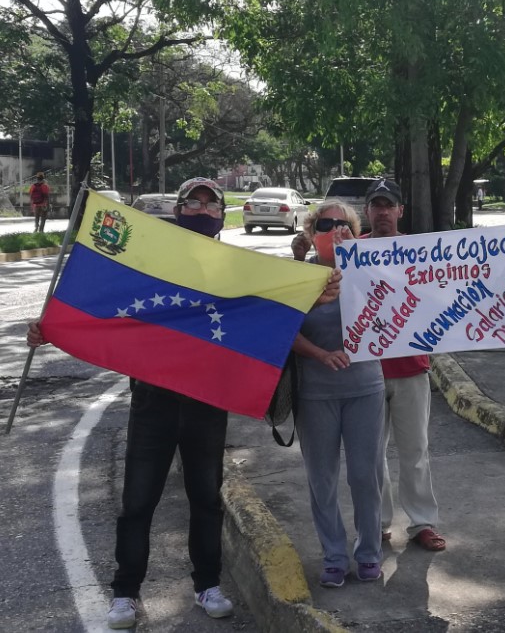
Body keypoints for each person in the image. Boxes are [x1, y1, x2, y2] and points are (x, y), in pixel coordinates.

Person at [26, 178, 342, 629]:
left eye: (209, 204)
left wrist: (317, 285)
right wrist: (52, 328)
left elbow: (277, 304)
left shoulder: (238, 270)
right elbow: (102, 305)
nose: (201, 209)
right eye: (192, 201)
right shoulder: (150, 259)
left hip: (206, 403)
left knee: (205, 500)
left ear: (220, 217)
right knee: (137, 502)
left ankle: (207, 585)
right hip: (152, 403)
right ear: (178, 209)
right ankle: (126, 593)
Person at [292, 200, 386, 588]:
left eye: (342, 224)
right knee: (322, 478)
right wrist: (319, 354)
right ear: (313, 233)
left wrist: (356, 260)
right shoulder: (297, 276)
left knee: (366, 475)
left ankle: (369, 553)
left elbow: (403, 311)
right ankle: (333, 555)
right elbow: (280, 328)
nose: (335, 230)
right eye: (325, 224)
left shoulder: (374, 268)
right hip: (315, 392)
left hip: (365, 387)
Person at [361, 178, 445, 551]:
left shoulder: (419, 251)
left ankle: (422, 522)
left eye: (388, 205)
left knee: (415, 451)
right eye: (376, 205)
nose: (382, 211)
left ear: (399, 211)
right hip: (365, 371)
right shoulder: (352, 252)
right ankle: (376, 523)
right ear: (367, 211)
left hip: (411, 366)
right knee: (370, 452)